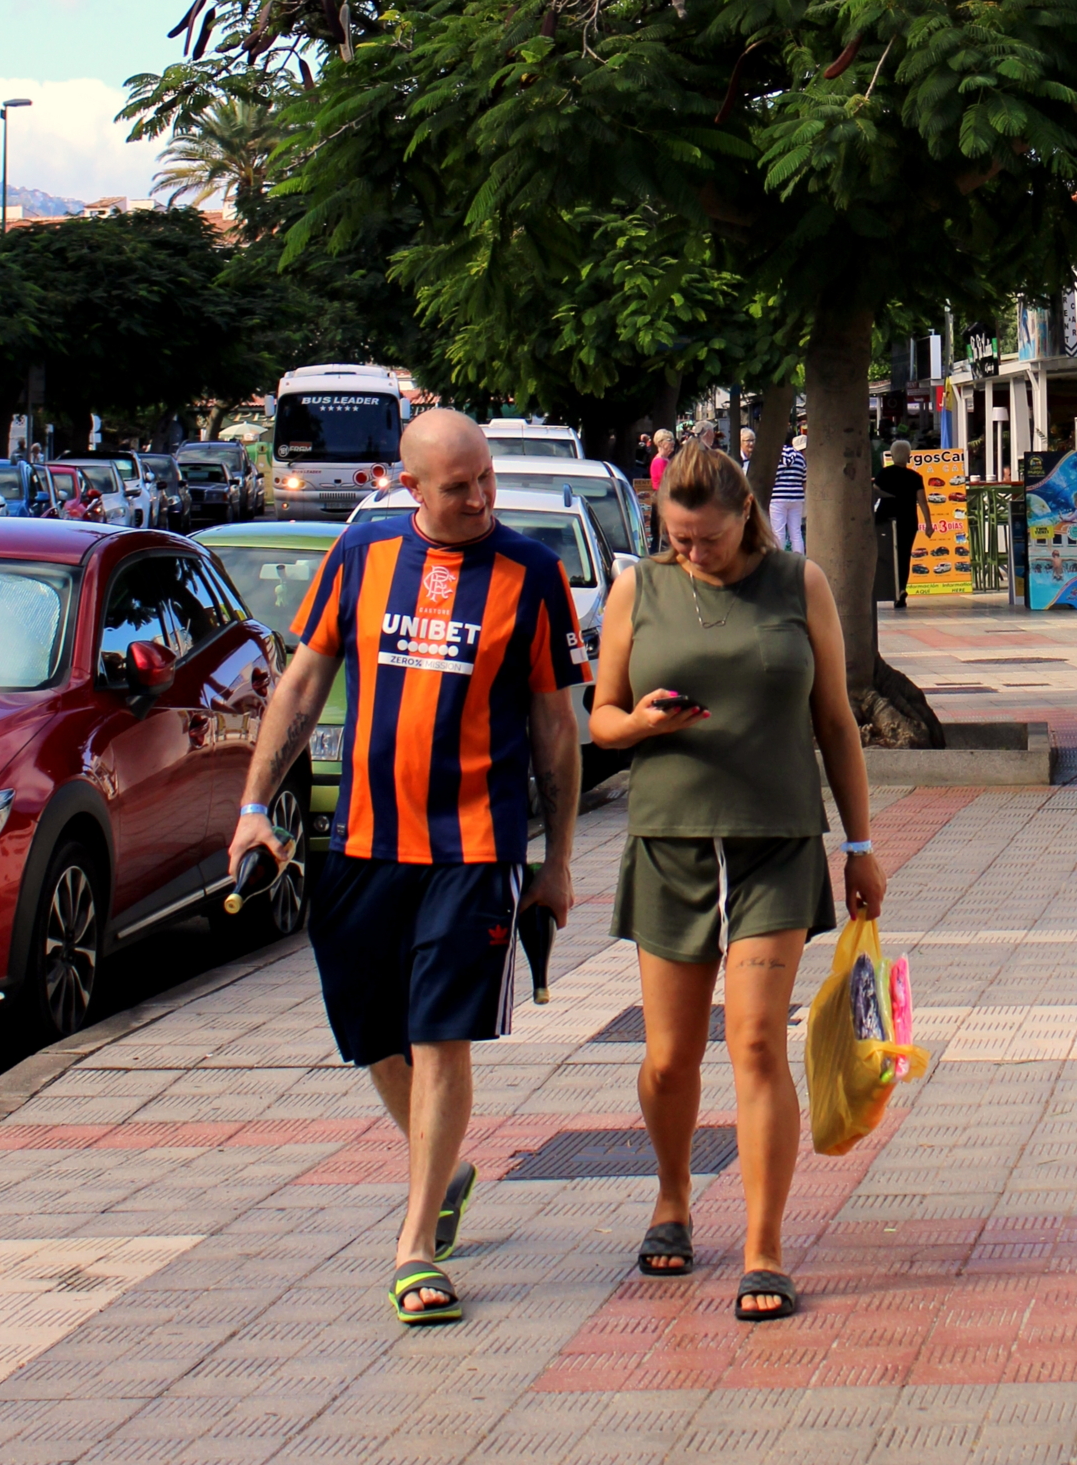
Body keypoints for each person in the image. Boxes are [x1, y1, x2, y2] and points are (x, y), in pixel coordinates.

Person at [228, 409, 584, 1327]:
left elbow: (555, 727)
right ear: (408, 484)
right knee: (371, 1033)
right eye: (458, 486)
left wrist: (558, 862)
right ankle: (448, 1169)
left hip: (474, 848)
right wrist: (252, 809)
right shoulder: (362, 558)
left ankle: (417, 1243)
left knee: (440, 1035)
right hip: (361, 843)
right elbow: (303, 682)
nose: (479, 499)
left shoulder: (532, 574)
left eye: (486, 480)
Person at [589, 440, 884, 1320]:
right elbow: (600, 720)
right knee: (669, 1058)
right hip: (671, 844)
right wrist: (639, 725)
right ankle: (673, 1198)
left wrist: (859, 844)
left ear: (744, 516)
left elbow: (835, 720)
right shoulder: (637, 589)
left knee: (755, 1043)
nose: (692, 553)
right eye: (678, 539)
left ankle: (764, 1248)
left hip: (775, 844)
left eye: (706, 539)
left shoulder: (801, 584)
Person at [873, 439, 932, 609]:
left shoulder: (884, 473)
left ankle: (888, 588)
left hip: (885, 519)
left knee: (886, 554)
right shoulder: (915, 477)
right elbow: (922, 502)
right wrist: (929, 523)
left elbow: (874, 493)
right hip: (908, 520)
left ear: (891, 455)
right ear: (908, 456)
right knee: (904, 555)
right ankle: (901, 590)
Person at [769, 433, 807, 552]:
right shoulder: (800, 457)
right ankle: (798, 561)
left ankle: (779, 562)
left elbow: (769, 477)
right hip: (796, 498)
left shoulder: (774, 457)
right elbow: (804, 480)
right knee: (796, 532)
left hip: (777, 499)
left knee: (778, 532)